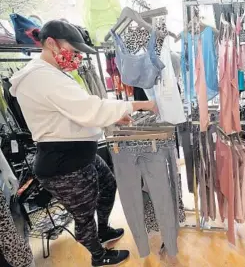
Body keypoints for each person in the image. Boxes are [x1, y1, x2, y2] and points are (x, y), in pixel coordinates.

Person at [9, 20, 157, 266]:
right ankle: (98, 256)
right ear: (51, 43)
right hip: (63, 164)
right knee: (84, 215)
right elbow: (88, 108)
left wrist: (113, 117)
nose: (77, 56)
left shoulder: (53, 74)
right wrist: (138, 104)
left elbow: (73, 113)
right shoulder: (40, 77)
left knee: (108, 186)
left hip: (80, 154)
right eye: (74, 49)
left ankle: (104, 231)